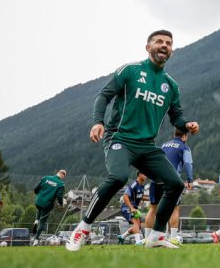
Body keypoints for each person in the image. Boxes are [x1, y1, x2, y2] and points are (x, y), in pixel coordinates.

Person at [67, 30, 200, 251]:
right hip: (119, 137)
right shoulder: (130, 71)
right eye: (159, 41)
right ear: (148, 47)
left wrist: (187, 125)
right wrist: (98, 122)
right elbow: (104, 95)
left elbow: (176, 116)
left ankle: (156, 236)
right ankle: (83, 228)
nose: (164, 45)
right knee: (118, 177)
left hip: (147, 145)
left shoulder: (171, 85)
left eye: (169, 43)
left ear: (171, 51)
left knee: (175, 184)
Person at [145, 128, 195, 245]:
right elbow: (188, 163)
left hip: (156, 178)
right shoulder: (184, 147)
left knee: (153, 208)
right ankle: (173, 237)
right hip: (171, 180)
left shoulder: (164, 145)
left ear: (174, 134)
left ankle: (147, 238)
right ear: (184, 136)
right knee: (174, 208)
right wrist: (190, 179)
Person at [32, 169, 66, 245]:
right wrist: (61, 204)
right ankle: (36, 240)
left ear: (57, 173)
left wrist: (39, 195)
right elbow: (59, 196)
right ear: (63, 175)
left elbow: (36, 188)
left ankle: (36, 221)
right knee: (42, 222)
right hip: (47, 205)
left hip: (38, 201)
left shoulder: (46, 178)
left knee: (40, 209)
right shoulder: (60, 184)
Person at [117, 173, 147, 245]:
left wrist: (152, 199)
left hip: (134, 208)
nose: (146, 176)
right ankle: (138, 242)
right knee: (135, 223)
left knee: (138, 226)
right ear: (139, 175)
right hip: (127, 207)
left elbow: (141, 196)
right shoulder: (134, 185)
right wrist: (131, 208)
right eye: (144, 174)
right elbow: (125, 196)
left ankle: (122, 236)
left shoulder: (142, 186)